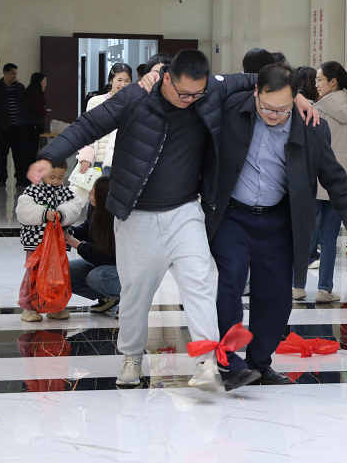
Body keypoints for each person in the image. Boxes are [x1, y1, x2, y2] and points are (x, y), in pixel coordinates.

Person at [30, 49, 317, 390]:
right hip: (136, 214)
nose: (190, 100)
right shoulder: (134, 98)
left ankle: (207, 362)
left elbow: (256, 80)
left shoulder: (208, 89)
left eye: (197, 94)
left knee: (202, 282)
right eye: (183, 93)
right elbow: (88, 125)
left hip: (185, 210)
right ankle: (131, 357)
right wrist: (50, 155)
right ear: (166, 78)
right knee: (136, 293)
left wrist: (296, 96)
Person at [209, 64, 347, 385]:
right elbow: (209, 87)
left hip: (278, 220)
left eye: (282, 109)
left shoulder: (311, 127)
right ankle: (229, 362)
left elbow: (333, 173)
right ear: (256, 93)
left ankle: (260, 364)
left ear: (295, 98)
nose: (274, 114)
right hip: (233, 216)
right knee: (229, 283)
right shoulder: (234, 110)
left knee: (275, 296)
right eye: (267, 107)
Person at [292, 61, 347, 301]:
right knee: (330, 237)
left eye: (320, 80)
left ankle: (297, 285)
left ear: (333, 82)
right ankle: (325, 289)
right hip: (343, 184)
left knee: (304, 235)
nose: (316, 84)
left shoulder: (317, 108)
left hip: (317, 179)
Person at [15, 160, 86, 322]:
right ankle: (28, 307)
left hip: (58, 243)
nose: (56, 181)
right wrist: (43, 213)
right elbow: (23, 211)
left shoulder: (65, 192)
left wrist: (63, 213)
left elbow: (75, 206)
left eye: (60, 178)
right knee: (33, 274)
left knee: (56, 274)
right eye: (52, 177)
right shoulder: (33, 191)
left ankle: (55, 306)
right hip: (36, 242)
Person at [66, 175, 121, 314]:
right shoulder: (96, 209)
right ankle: (108, 298)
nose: (89, 193)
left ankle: (129, 301)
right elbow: (87, 229)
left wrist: (78, 245)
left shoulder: (119, 219)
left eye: (93, 192)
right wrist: (69, 232)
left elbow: (108, 256)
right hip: (104, 265)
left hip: (120, 269)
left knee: (98, 277)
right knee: (64, 271)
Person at [78, 63, 132, 177]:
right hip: (98, 161)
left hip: (121, 162)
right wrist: (86, 156)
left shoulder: (134, 104)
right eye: (119, 80)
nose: (123, 84)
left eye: (127, 81)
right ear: (111, 80)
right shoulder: (95, 102)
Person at [0, 63, 29, 188]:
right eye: (12, 73)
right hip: (3, 127)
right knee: (2, 155)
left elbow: (26, 105)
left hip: (18, 127)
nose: (14, 76)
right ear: (5, 73)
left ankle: (20, 178)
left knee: (19, 154)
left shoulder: (20, 88)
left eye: (15, 73)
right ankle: (2, 179)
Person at [20, 72, 47, 163]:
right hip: (31, 127)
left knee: (29, 153)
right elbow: (41, 110)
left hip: (27, 126)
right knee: (30, 153)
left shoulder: (29, 91)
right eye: (44, 82)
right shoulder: (34, 93)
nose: (46, 84)